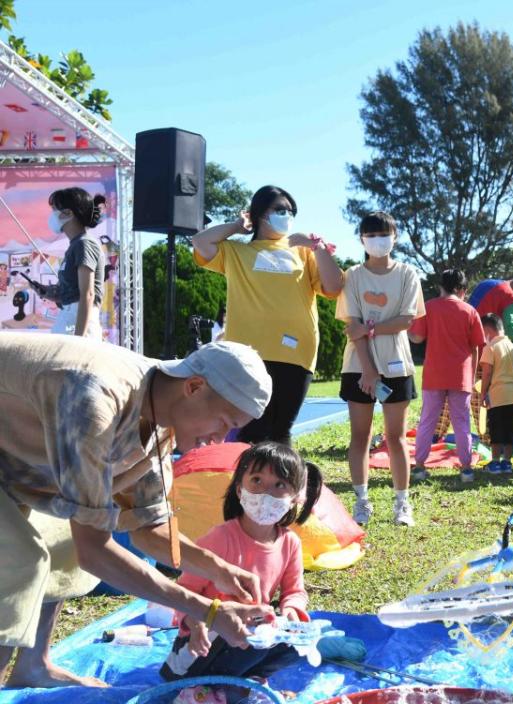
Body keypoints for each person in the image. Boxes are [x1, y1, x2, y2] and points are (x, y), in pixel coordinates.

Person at [0, 337, 274, 689]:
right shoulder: (93, 400)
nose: (220, 438)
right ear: (193, 386)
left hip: (11, 461)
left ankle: (33, 668)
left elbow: (148, 528)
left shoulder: (162, 418)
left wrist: (217, 569)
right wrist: (206, 610)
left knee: (65, 538)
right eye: (223, 421)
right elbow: (95, 552)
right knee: (20, 562)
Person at [161, 442, 322, 697]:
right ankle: (200, 685)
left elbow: (295, 591)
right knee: (239, 639)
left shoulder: (289, 542)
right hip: (204, 640)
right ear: (239, 489)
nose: (265, 493)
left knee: (298, 643)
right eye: (256, 480)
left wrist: (292, 610)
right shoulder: (219, 539)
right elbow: (185, 591)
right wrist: (195, 622)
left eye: (279, 485)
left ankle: (249, 680)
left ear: (295, 499)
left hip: (251, 636)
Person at [193, 185, 344, 446]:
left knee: (280, 432)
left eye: (290, 211)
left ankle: (282, 487)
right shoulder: (236, 252)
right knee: (252, 432)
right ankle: (246, 486)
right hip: (248, 355)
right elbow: (200, 242)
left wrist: (317, 247)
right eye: (280, 209)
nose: (286, 215)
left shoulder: (304, 252)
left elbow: (334, 287)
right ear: (260, 214)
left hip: (296, 352)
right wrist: (237, 226)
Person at [336, 211, 425, 527]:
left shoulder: (407, 274)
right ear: (361, 239)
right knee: (360, 435)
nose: (377, 240)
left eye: (383, 234)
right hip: (358, 367)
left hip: (397, 365)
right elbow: (352, 327)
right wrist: (369, 371)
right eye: (371, 235)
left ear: (395, 237)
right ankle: (362, 502)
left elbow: (405, 320)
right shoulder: (354, 275)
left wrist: (370, 329)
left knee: (396, 436)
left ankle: (402, 503)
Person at [408, 269, 485, 484]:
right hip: (461, 376)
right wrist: (472, 373)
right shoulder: (470, 311)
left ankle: (420, 467)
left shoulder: (429, 308)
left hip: (434, 375)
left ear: (439, 286)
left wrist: (405, 324)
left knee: (427, 422)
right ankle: (467, 469)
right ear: (463, 289)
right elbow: (476, 347)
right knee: (462, 423)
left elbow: (416, 338)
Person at [28, 188, 106, 338]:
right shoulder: (75, 245)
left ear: (69, 213)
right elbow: (72, 293)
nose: (51, 215)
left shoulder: (85, 244)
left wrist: (79, 339)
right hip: (69, 319)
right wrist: (48, 292)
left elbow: (88, 294)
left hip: (79, 325)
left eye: (54, 210)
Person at [479, 314, 513, 475]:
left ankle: (495, 462)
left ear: (488, 329)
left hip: (497, 395)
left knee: (496, 430)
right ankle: (507, 462)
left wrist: (483, 393)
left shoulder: (490, 347)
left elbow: (487, 373)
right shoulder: (512, 346)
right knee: (510, 430)